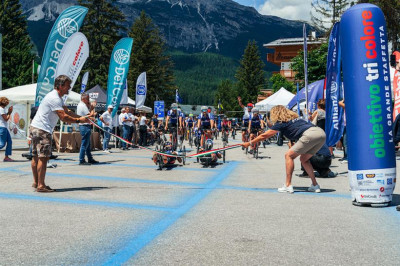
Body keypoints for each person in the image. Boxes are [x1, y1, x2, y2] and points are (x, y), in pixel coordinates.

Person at [242, 105, 326, 193]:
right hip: (321, 134)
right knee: (304, 159)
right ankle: (315, 185)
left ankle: (288, 185)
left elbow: (265, 135)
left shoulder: (281, 123)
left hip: (310, 134)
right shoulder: (297, 119)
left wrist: (249, 143)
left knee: (288, 156)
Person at [30, 75, 90, 192]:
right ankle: (41, 186)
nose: (69, 88)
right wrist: (79, 120)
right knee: (43, 157)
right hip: (42, 129)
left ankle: (37, 182)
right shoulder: (55, 98)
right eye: (68, 86)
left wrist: (83, 117)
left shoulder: (57, 97)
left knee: (36, 156)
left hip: (36, 127)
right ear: (61, 86)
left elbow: (67, 111)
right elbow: (64, 117)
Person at [77, 93, 98, 165]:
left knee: (87, 144)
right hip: (85, 126)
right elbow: (90, 114)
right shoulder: (82, 105)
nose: (88, 100)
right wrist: (92, 108)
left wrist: (90, 107)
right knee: (85, 143)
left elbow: (87, 115)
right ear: (84, 99)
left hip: (85, 125)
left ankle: (89, 158)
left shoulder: (82, 105)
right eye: (87, 98)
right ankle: (81, 160)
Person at [0, 97, 14, 162]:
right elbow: (6, 119)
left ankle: (6, 157)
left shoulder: (2, 109)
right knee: (2, 144)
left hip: (4, 127)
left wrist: (8, 112)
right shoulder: (1, 109)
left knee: (9, 141)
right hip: (2, 127)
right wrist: (10, 112)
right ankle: (6, 157)